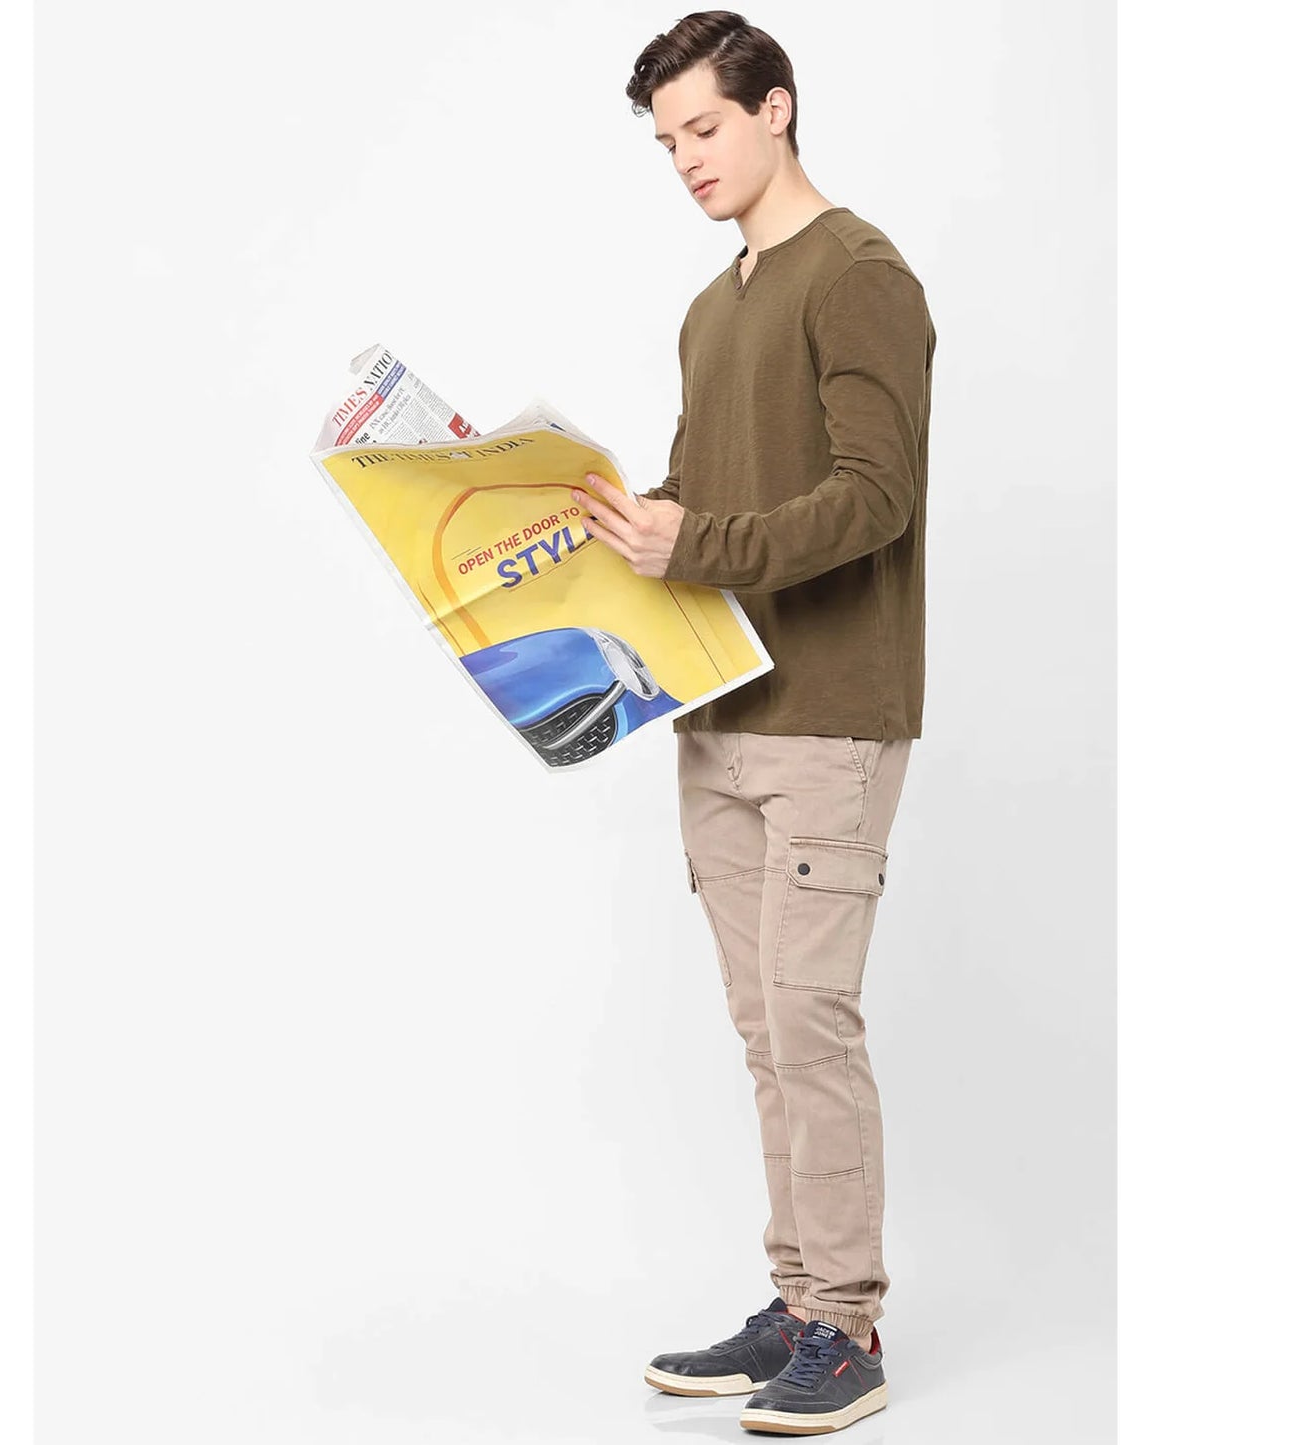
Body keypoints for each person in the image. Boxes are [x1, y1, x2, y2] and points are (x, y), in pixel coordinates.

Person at [570, 12, 936, 1436]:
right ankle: (796, 1302)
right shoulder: (712, 304)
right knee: (762, 1029)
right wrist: (593, 527)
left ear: (776, 107)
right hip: (715, 709)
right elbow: (699, 502)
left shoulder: (859, 274)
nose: (686, 159)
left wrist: (699, 538)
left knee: (810, 1023)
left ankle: (847, 1326)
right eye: (667, 141)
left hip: (831, 713)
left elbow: (874, 496)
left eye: (706, 127)